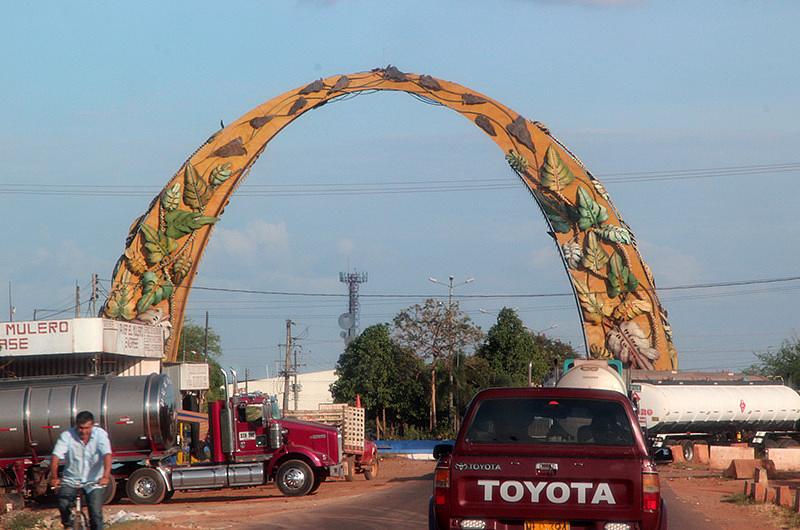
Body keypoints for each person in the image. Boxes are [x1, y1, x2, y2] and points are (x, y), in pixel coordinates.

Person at [49, 410, 112, 530]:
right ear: (76, 425)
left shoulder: (100, 435)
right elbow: (55, 457)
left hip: (94, 481)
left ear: (93, 425)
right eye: (80, 428)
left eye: (87, 428)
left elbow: (107, 455)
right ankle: (68, 525)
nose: (83, 431)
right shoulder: (67, 436)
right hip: (71, 479)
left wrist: (105, 476)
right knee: (63, 503)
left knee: (95, 513)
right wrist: (54, 477)